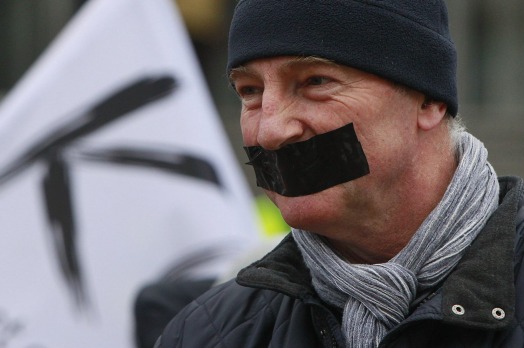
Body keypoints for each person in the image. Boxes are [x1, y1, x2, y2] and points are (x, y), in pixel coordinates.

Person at [156, 0, 524, 347]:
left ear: (428, 100)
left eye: (315, 82)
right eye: (250, 91)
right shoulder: (208, 334)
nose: (270, 132)